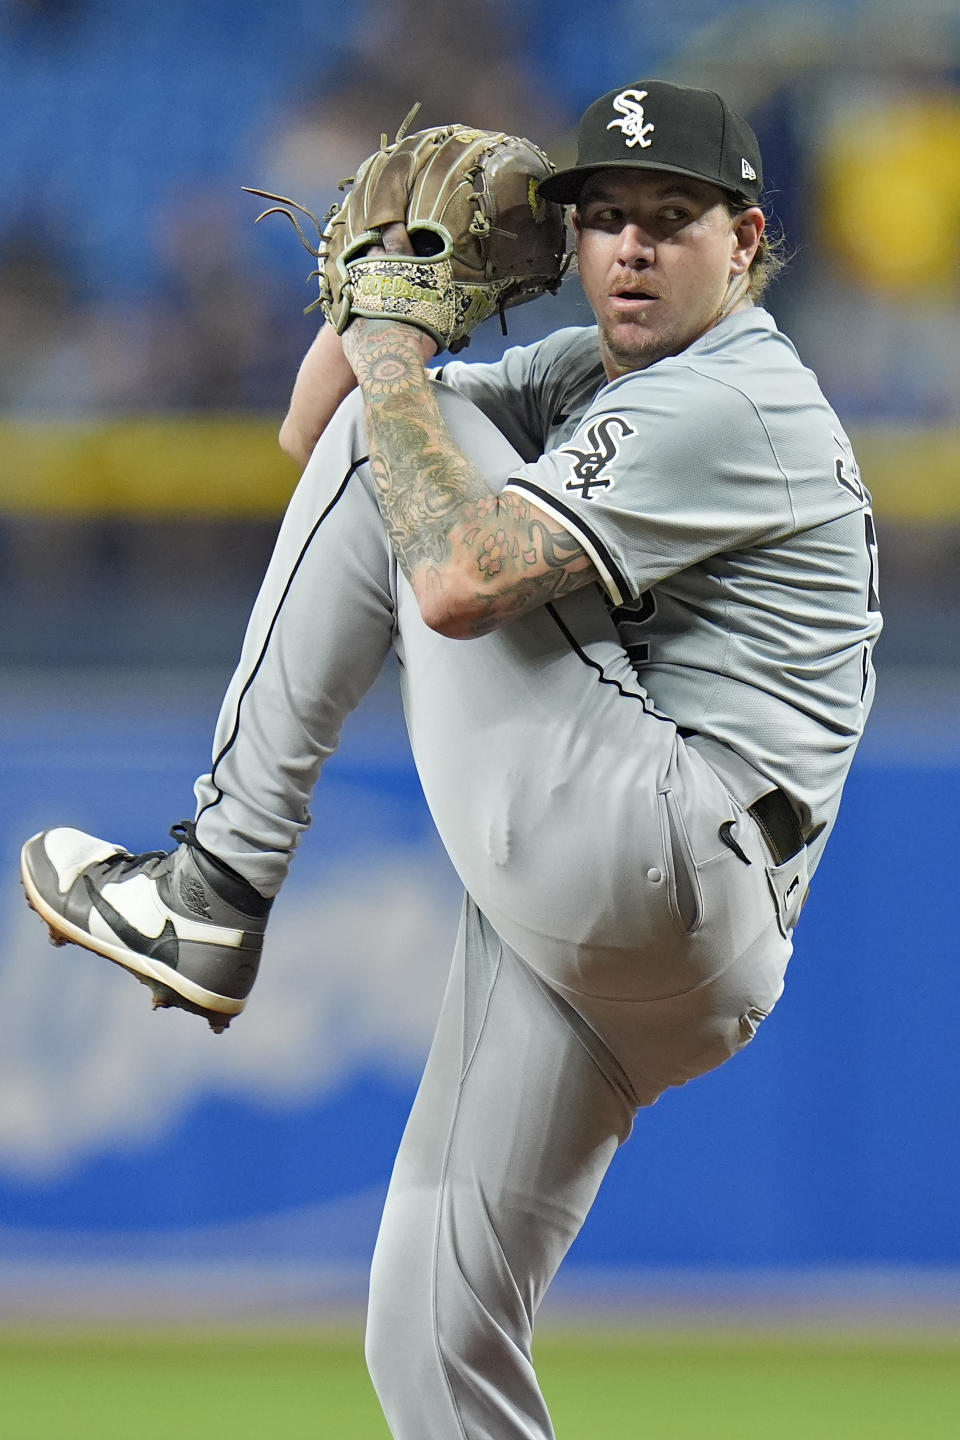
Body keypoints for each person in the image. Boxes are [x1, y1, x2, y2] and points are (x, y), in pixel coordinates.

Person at [21, 80, 881, 1440]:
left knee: (405, 443)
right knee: (429, 1337)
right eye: (604, 221)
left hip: (665, 842)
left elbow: (458, 572)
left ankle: (216, 885)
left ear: (749, 237)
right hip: (644, 933)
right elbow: (320, 445)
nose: (632, 250)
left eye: (672, 218)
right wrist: (395, 306)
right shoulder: (592, 375)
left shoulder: (740, 396)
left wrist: (395, 359)